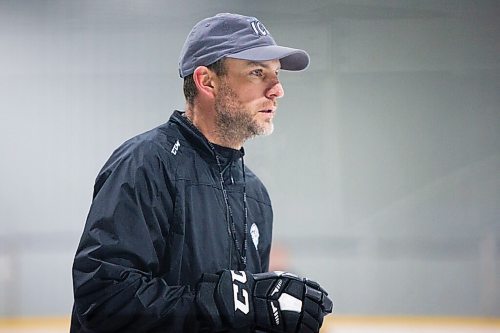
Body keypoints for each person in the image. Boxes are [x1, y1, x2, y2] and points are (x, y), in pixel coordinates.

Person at [71, 13, 333, 333]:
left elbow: (238, 312)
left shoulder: (254, 193)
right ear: (207, 81)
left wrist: (266, 316)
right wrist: (229, 302)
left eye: (276, 75)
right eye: (256, 73)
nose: (277, 90)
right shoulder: (145, 165)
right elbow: (104, 300)